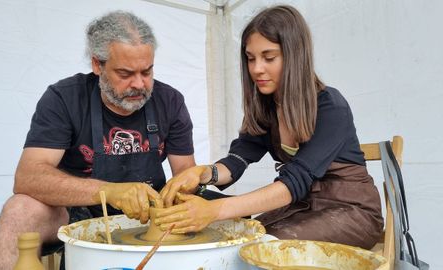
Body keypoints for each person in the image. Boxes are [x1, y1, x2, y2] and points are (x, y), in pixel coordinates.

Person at [156, 5, 384, 249]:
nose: (256, 69)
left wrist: (214, 209)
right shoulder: (265, 108)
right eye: (250, 58)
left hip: (351, 212)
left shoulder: (330, 106)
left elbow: (293, 184)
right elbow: (236, 162)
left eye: (269, 57)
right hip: (301, 208)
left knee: (261, 246)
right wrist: (202, 173)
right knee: (237, 238)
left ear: (295, 55)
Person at [0, 11, 196, 269]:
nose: (139, 84)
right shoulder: (64, 98)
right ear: (97, 64)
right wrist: (109, 192)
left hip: (149, 214)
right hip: (77, 212)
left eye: (147, 71)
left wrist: (176, 199)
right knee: (20, 210)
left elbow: (185, 173)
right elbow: (27, 177)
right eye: (125, 73)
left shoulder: (170, 101)